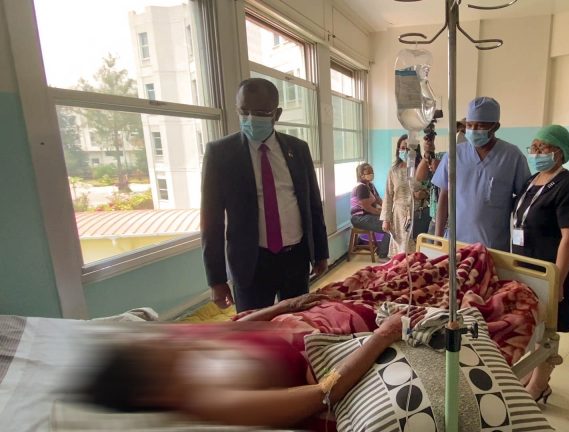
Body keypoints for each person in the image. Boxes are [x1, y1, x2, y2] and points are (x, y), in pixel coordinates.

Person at [78, 294, 426, 430]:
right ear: (150, 392)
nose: (156, 343)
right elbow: (323, 392)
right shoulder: (216, 402)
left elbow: (230, 328)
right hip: (337, 343)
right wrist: (384, 335)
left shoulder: (181, 354)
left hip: (307, 320)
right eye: (147, 353)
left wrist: (285, 306)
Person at [201, 78, 328, 312]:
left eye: (260, 112)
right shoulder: (220, 153)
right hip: (251, 264)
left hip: (295, 258)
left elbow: (312, 204)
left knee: (297, 323)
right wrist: (216, 280)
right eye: (244, 111)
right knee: (254, 328)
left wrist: (320, 253)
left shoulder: (298, 149)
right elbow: (211, 221)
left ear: (276, 114)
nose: (250, 118)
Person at [510, 125, 569, 401]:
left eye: (543, 147)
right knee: (533, 325)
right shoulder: (532, 180)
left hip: (552, 269)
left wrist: (557, 280)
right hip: (525, 265)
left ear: (560, 152)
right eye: (534, 147)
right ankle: (531, 373)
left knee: (548, 329)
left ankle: (540, 384)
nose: (536, 152)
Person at [433, 97, 531, 251]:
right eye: (469, 125)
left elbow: (523, 202)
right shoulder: (454, 154)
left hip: (493, 246)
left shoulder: (512, 156)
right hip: (455, 243)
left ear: (495, 127)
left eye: (480, 126)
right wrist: (437, 239)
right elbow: (444, 196)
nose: (473, 130)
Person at [381, 134, 421, 255]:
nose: (405, 151)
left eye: (408, 149)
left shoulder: (421, 169)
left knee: (416, 252)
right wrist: (386, 219)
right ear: (398, 149)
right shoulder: (393, 171)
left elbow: (431, 191)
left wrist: (423, 194)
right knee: (401, 252)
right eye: (403, 148)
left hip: (417, 214)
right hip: (399, 215)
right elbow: (388, 196)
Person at [350, 163, 389, 261]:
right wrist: (381, 213)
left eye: (372, 172)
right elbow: (366, 207)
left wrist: (388, 209)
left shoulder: (370, 186)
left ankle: (383, 251)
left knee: (388, 221)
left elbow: (378, 200)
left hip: (366, 216)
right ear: (361, 175)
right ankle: (382, 255)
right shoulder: (361, 188)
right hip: (359, 218)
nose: (371, 174)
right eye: (369, 173)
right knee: (388, 226)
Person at [412, 133, 436, 239]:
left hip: (422, 210)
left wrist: (425, 193)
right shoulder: (394, 171)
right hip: (403, 212)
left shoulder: (434, 161)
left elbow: (428, 184)